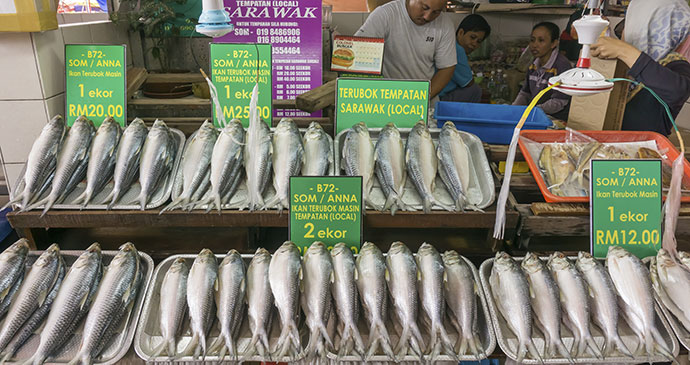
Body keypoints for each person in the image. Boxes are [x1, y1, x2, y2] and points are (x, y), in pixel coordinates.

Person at [590, 0, 690, 135]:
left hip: (643, 151)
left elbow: (678, 91)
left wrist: (624, 51)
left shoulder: (675, 64)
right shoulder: (620, 57)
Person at [355, 0, 457, 99]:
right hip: (385, 99)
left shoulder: (445, 25)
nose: (427, 16)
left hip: (422, 101)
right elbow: (357, 51)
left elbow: (446, 68)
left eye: (436, 12)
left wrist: (423, 97)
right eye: (424, 8)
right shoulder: (385, 14)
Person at [513, 22, 573, 120]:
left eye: (541, 41)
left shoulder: (562, 66)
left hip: (555, 119)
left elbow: (559, 102)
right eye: (532, 40)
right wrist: (513, 109)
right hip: (535, 114)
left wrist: (532, 111)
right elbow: (525, 93)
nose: (534, 45)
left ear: (554, 43)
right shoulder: (534, 64)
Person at [439, 14, 491, 103]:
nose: (474, 44)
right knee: (475, 90)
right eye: (472, 37)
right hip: (440, 98)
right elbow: (469, 83)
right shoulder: (457, 50)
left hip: (435, 94)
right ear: (460, 33)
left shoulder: (449, 43)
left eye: (479, 41)